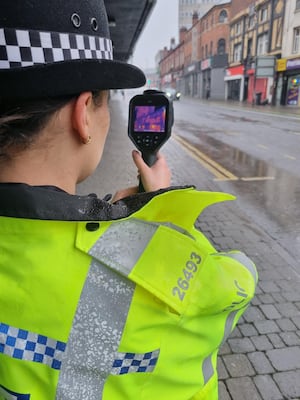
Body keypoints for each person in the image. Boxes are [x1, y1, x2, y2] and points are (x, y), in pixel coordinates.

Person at [0, 1, 257, 399]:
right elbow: (235, 283)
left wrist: (105, 211)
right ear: (84, 114)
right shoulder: (165, 280)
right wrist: (160, 217)